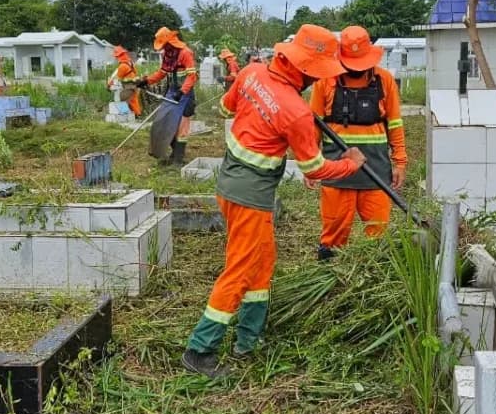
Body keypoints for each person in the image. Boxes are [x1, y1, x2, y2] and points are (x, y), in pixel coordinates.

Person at [183, 24, 367, 378]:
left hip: (231, 185)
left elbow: (224, 108)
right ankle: (200, 350)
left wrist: (260, 109)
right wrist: (350, 164)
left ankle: (248, 339)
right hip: (249, 197)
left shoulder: (251, 73)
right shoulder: (295, 111)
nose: (317, 81)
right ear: (305, 69)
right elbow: (313, 169)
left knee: (262, 262)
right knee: (238, 271)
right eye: (316, 74)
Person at [306, 26, 406, 261]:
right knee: (333, 235)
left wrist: (400, 161)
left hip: (376, 173)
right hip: (337, 173)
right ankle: (328, 277)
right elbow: (313, 128)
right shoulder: (325, 82)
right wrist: (309, 164)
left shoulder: (385, 80)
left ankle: (375, 277)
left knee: (379, 234)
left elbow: (395, 123)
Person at [136, 27, 197, 165]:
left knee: (181, 127)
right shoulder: (167, 56)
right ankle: (170, 152)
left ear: (171, 42)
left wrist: (182, 91)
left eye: (164, 45)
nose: (163, 49)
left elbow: (192, 76)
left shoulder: (185, 53)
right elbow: (162, 73)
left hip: (185, 94)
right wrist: (147, 81)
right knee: (162, 123)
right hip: (171, 92)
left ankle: (178, 158)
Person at [109, 45, 142, 116]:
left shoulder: (122, 66)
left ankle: (124, 114)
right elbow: (135, 73)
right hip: (134, 85)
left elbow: (117, 79)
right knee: (133, 100)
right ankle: (137, 114)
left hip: (129, 87)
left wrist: (109, 84)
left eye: (116, 57)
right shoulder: (130, 63)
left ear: (118, 56)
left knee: (120, 98)